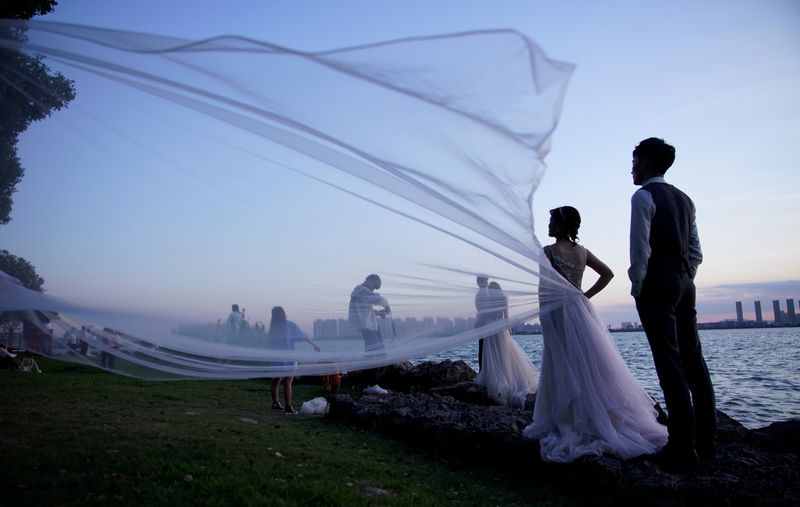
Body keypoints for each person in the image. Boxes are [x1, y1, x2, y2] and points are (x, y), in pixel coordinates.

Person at [524, 206, 668, 463]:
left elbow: (542, 288)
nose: (548, 225)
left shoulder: (547, 252)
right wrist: (584, 296)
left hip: (556, 312)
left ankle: (569, 418)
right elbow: (608, 274)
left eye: (551, 221)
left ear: (561, 225)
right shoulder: (582, 251)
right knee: (589, 364)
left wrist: (544, 314)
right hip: (580, 310)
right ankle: (596, 414)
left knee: (562, 363)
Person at [629, 137, 715, 469]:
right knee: (694, 360)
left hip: (657, 283)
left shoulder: (643, 197)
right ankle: (708, 444)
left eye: (635, 161)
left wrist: (639, 286)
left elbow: (640, 251)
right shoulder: (685, 199)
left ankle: (681, 448)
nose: (632, 168)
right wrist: (685, 274)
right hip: (684, 282)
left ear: (647, 162)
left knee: (669, 363)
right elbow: (696, 251)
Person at [473, 281, 538, 408]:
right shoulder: (503, 299)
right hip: (501, 329)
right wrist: (508, 331)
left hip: (491, 328)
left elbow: (484, 315)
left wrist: (478, 325)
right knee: (503, 356)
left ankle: (494, 379)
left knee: (492, 356)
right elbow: (506, 317)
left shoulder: (489, 300)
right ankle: (508, 378)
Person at [266, 306, 320, 414]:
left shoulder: (273, 328)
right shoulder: (289, 325)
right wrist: (314, 344)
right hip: (288, 358)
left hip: (277, 358)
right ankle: (288, 407)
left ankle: (275, 403)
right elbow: (303, 335)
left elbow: (270, 344)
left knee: (276, 381)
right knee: (288, 382)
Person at [348, 274, 390, 390]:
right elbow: (380, 299)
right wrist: (387, 306)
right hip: (367, 327)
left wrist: (379, 313)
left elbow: (364, 311)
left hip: (371, 326)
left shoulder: (360, 293)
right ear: (370, 282)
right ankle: (371, 385)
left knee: (374, 354)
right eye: (374, 287)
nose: (373, 290)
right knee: (377, 354)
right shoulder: (361, 291)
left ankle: (368, 384)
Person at [473, 275, 491, 372]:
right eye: (486, 280)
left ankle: (483, 370)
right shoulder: (484, 293)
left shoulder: (480, 293)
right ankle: (483, 370)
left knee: (483, 348)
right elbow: (483, 310)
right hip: (485, 323)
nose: (488, 282)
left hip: (482, 322)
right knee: (484, 348)